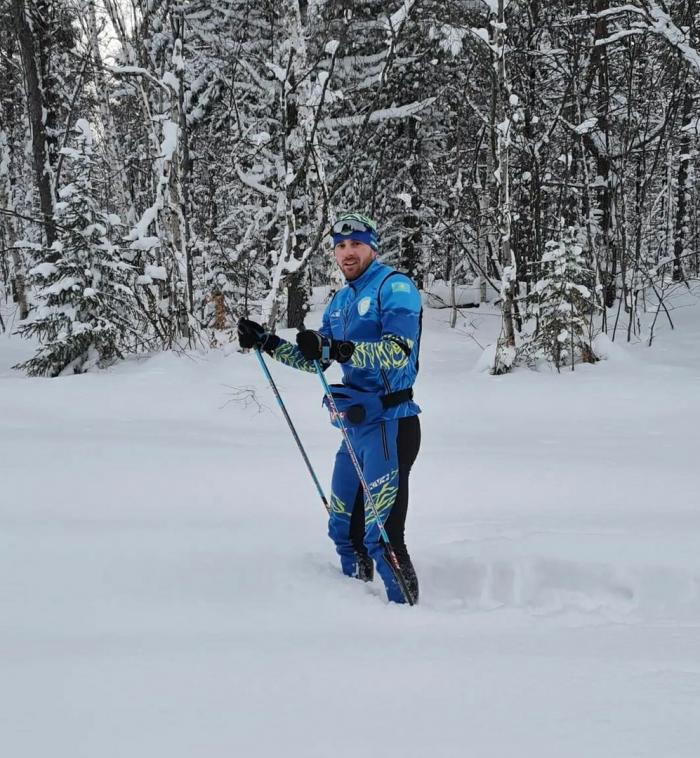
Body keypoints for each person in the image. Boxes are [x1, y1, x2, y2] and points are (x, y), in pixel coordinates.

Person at [237, 212, 422, 604]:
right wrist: (267, 342)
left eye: (355, 243)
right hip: (355, 427)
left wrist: (340, 349)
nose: (347, 252)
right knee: (343, 530)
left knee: (382, 537)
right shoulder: (340, 303)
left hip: (392, 423)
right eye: (340, 246)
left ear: (372, 246)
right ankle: (348, 608)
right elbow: (315, 361)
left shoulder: (396, 287)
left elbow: (398, 351)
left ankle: (409, 621)